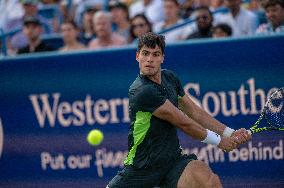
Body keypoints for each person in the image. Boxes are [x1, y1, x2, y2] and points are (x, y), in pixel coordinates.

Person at [107, 32, 251, 188]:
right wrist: (219, 141)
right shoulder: (142, 91)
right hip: (142, 167)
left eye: (156, 54)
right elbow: (184, 123)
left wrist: (229, 133)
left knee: (210, 182)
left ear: (162, 58)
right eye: (145, 53)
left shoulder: (170, 78)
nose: (150, 59)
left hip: (172, 161)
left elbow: (194, 112)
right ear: (137, 56)